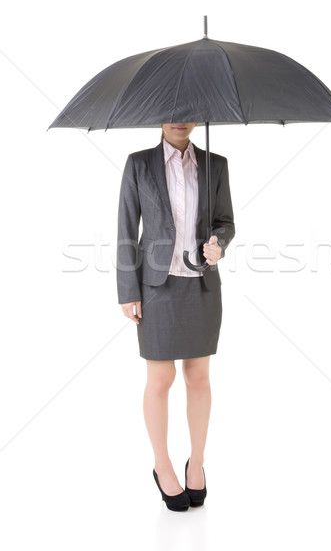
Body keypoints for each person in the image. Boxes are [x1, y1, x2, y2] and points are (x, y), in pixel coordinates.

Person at [116, 122, 235, 511]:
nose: (179, 118)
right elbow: (126, 229)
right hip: (156, 286)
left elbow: (225, 222)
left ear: (200, 116)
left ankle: (196, 462)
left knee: (198, 377)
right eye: (170, 111)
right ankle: (163, 466)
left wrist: (219, 244)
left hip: (201, 285)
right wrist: (128, 290)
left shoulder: (215, 164)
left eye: (188, 111)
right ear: (158, 117)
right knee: (161, 378)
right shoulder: (138, 165)